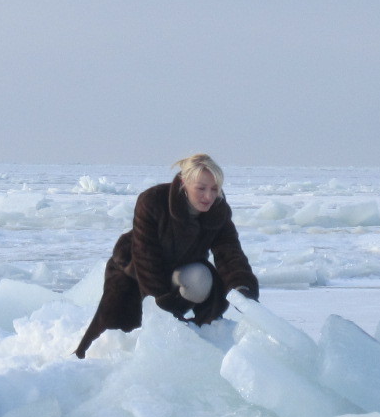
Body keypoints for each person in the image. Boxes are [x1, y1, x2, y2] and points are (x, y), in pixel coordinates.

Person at [74, 153, 259, 358]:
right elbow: (146, 257)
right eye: (201, 188)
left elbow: (229, 254)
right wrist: (162, 305)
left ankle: (192, 334)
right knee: (114, 330)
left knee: (201, 279)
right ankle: (83, 361)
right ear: (184, 182)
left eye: (214, 189)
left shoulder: (218, 211)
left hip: (179, 271)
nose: (208, 196)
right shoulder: (152, 201)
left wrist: (243, 288)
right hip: (134, 269)